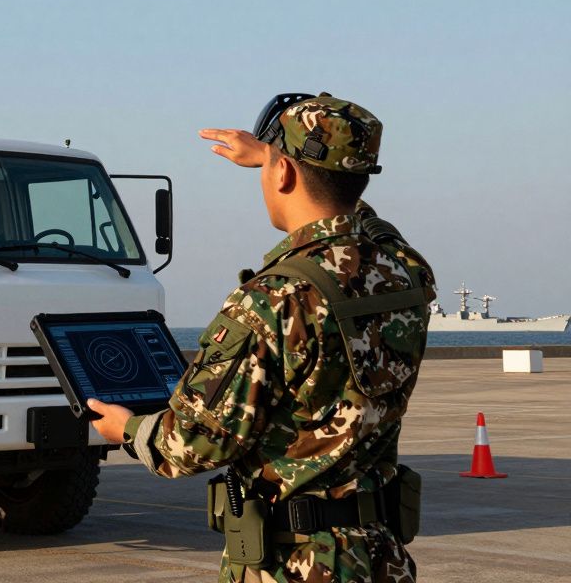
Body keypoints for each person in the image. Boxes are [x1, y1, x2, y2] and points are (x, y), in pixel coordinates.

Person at [88, 94, 434, 583]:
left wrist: (126, 429)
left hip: (296, 563)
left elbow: (191, 443)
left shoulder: (276, 298)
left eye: (268, 166)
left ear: (285, 174)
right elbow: (368, 224)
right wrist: (289, 161)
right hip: (381, 556)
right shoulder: (406, 274)